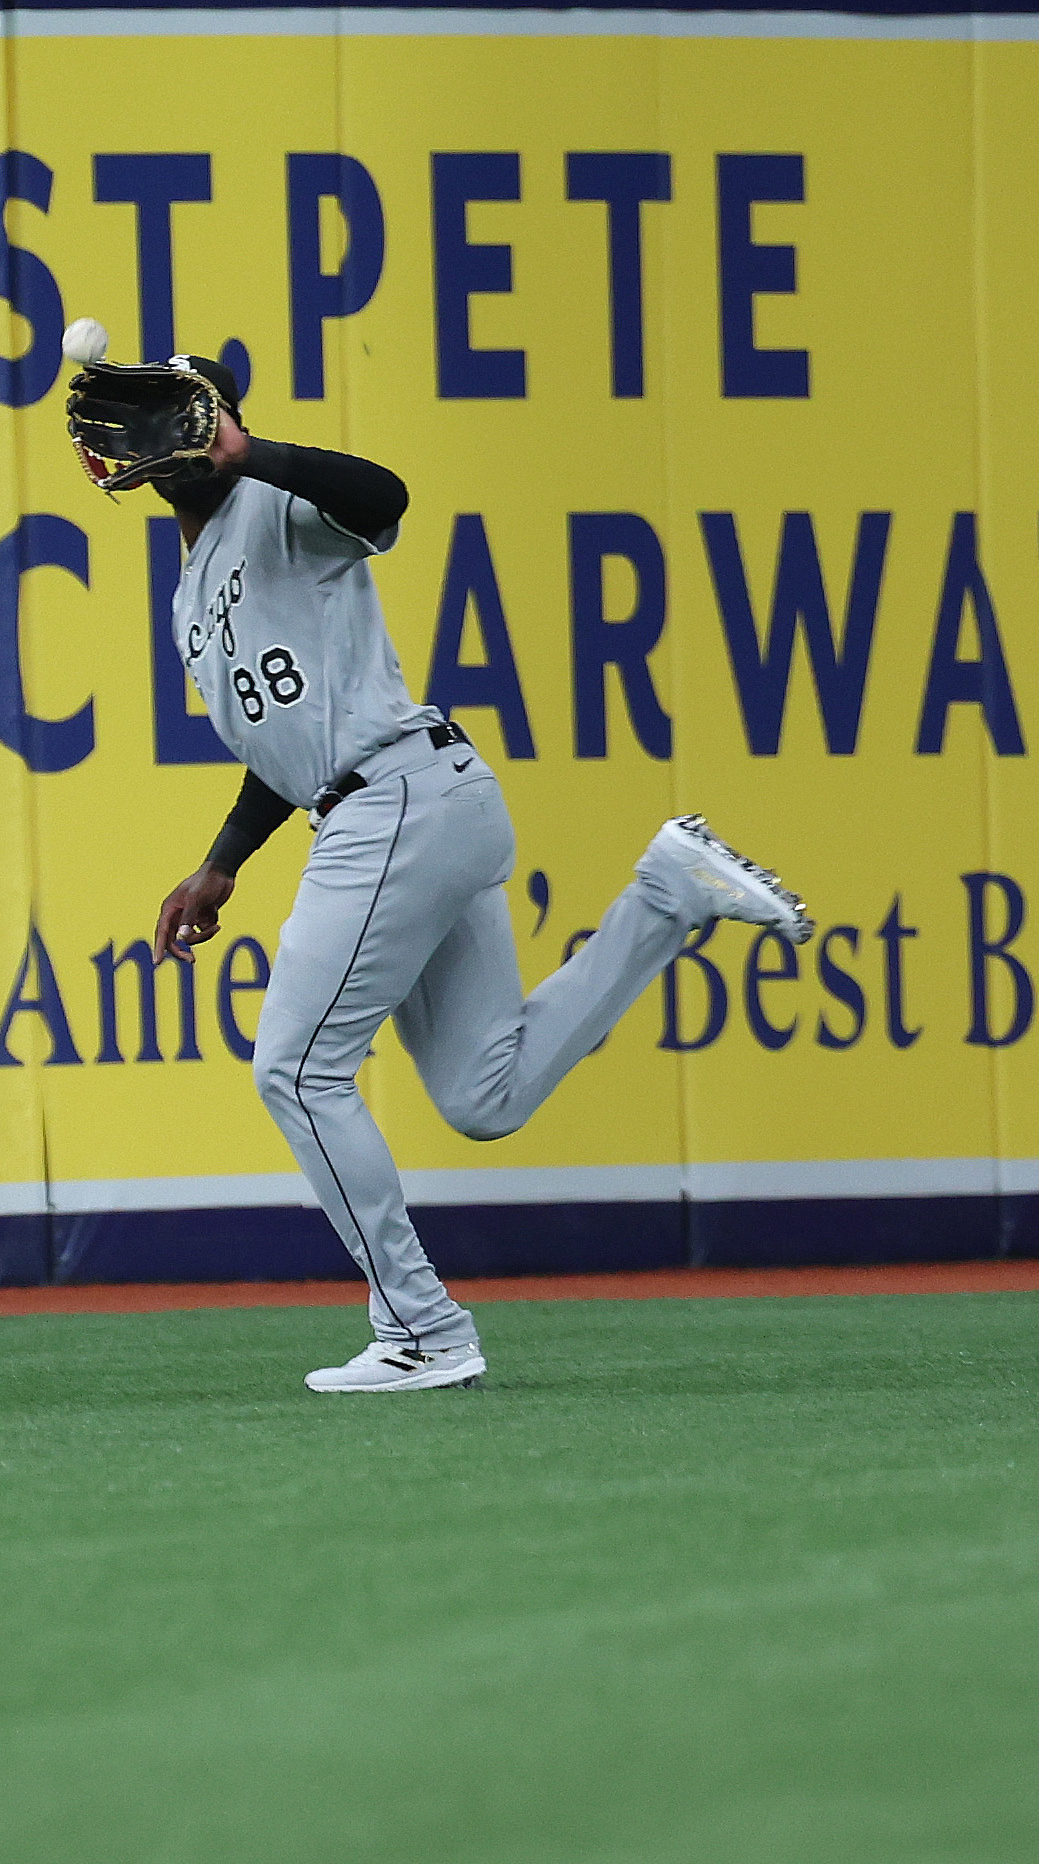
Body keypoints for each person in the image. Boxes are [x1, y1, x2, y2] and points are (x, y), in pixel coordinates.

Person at [108, 352, 812, 1393]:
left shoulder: (275, 496)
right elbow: (287, 746)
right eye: (154, 424)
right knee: (485, 1094)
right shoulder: (186, 593)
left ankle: (422, 1329)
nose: (171, 437)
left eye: (187, 415)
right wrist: (220, 866)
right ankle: (666, 892)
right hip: (411, 801)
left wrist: (249, 451)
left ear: (221, 420)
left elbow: (384, 497)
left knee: (295, 1071)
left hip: (394, 802)